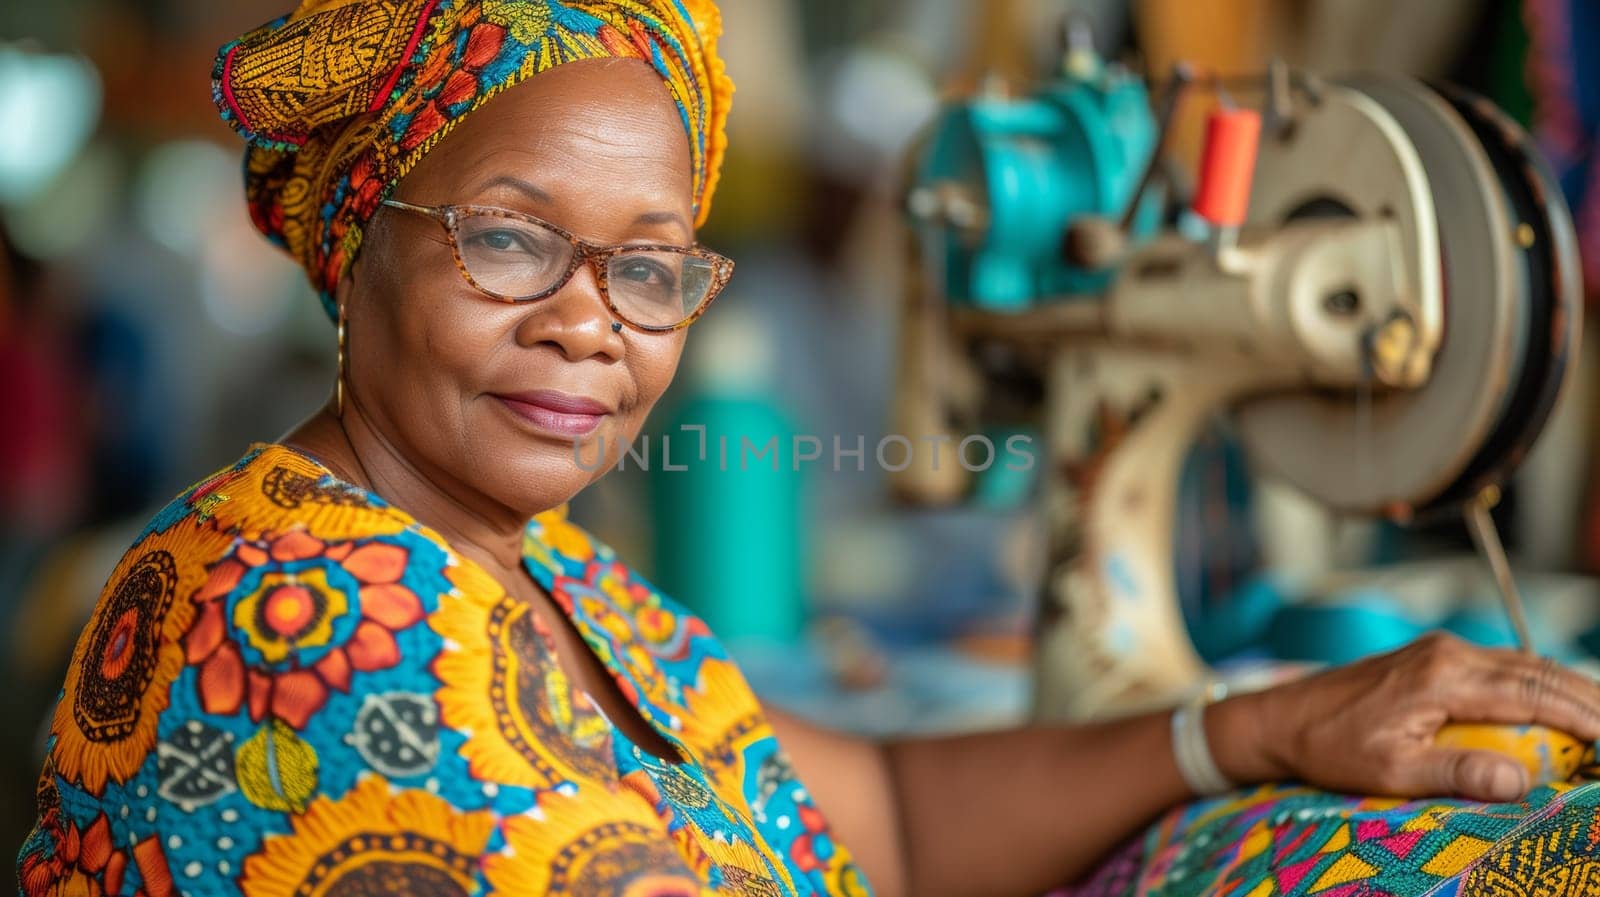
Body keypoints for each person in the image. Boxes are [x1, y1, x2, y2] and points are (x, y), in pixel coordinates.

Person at [17, 1, 1600, 895]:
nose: (596, 324)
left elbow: (882, 815)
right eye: (510, 241)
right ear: (357, 243)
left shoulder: (546, 569)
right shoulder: (305, 629)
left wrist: (1252, 732)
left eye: (651, 265)